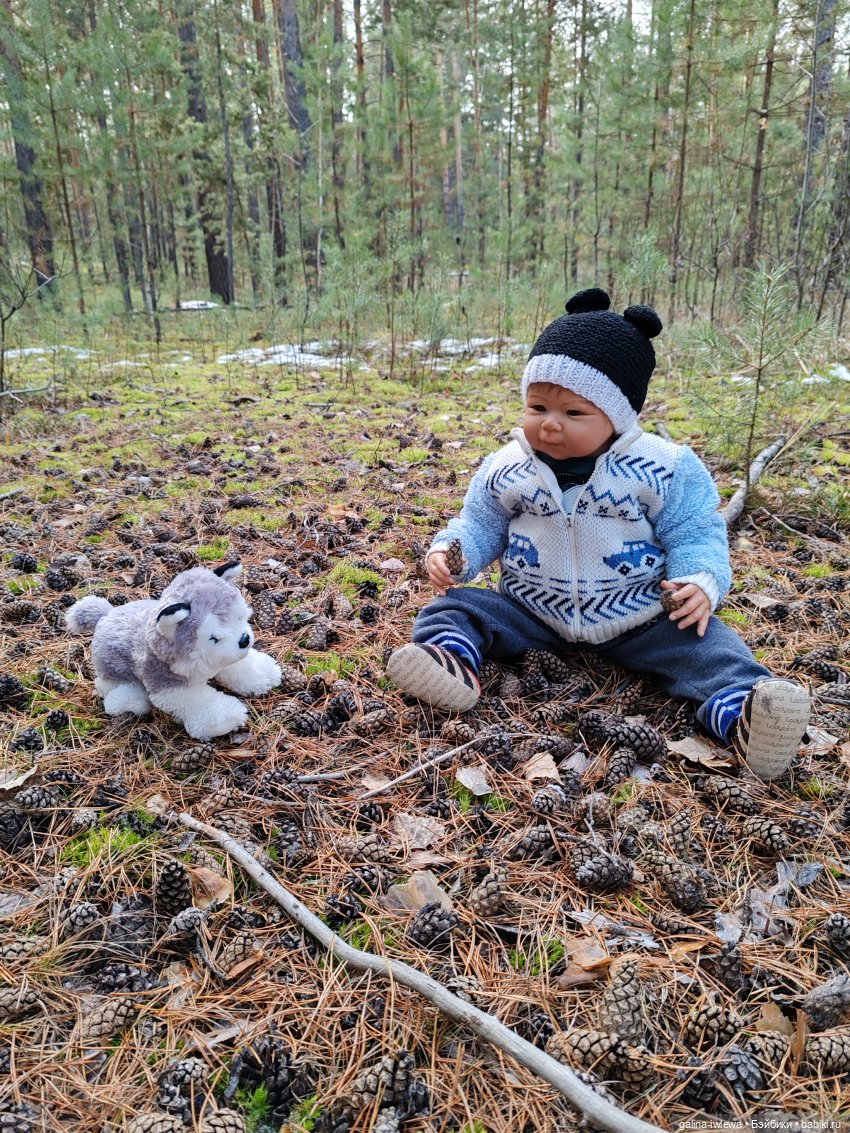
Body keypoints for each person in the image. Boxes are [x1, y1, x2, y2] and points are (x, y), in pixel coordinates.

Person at [386, 288, 810, 781]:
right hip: (531, 611)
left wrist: (699, 579)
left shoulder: (663, 469)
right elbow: (481, 522)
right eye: (537, 406)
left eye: (574, 413)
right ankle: (451, 664)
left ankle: (742, 716)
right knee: (456, 609)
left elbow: (695, 531)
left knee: (711, 647)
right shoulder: (506, 468)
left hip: (643, 618)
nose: (550, 425)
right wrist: (454, 552)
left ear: (618, 413)